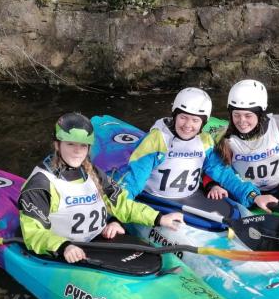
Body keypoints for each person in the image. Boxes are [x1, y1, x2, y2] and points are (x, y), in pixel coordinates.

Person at [18, 112, 183, 264]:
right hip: (63, 251)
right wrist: (64, 246)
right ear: (57, 145)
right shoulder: (40, 184)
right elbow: (33, 233)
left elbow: (121, 204)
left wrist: (159, 218)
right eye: (70, 144)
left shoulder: (92, 171)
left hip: (99, 240)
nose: (77, 152)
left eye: (83, 146)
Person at [121, 87, 277, 213]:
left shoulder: (205, 142)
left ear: (203, 123)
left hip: (190, 198)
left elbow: (224, 173)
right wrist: (117, 217)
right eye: (183, 117)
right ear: (175, 115)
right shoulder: (156, 141)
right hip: (155, 199)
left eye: (195, 120)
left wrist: (254, 195)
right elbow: (133, 180)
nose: (188, 125)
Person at [207, 79, 279, 203]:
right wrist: (213, 185)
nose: (242, 121)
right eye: (236, 115)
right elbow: (214, 168)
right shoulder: (224, 139)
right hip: (243, 192)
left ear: (259, 114)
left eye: (248, 115)